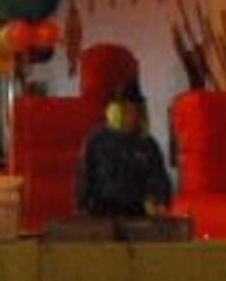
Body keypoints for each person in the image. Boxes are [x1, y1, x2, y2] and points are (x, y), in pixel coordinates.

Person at [74, 88, 173, 220]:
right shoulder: (97, 141)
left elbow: (158, 178)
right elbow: (84, 176)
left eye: (138, 111)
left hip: (135, 213)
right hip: (101, 213)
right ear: (116, 112)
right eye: (128, 111)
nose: (133, 116)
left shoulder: (147, 145)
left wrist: (161, 202)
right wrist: (82, 206)